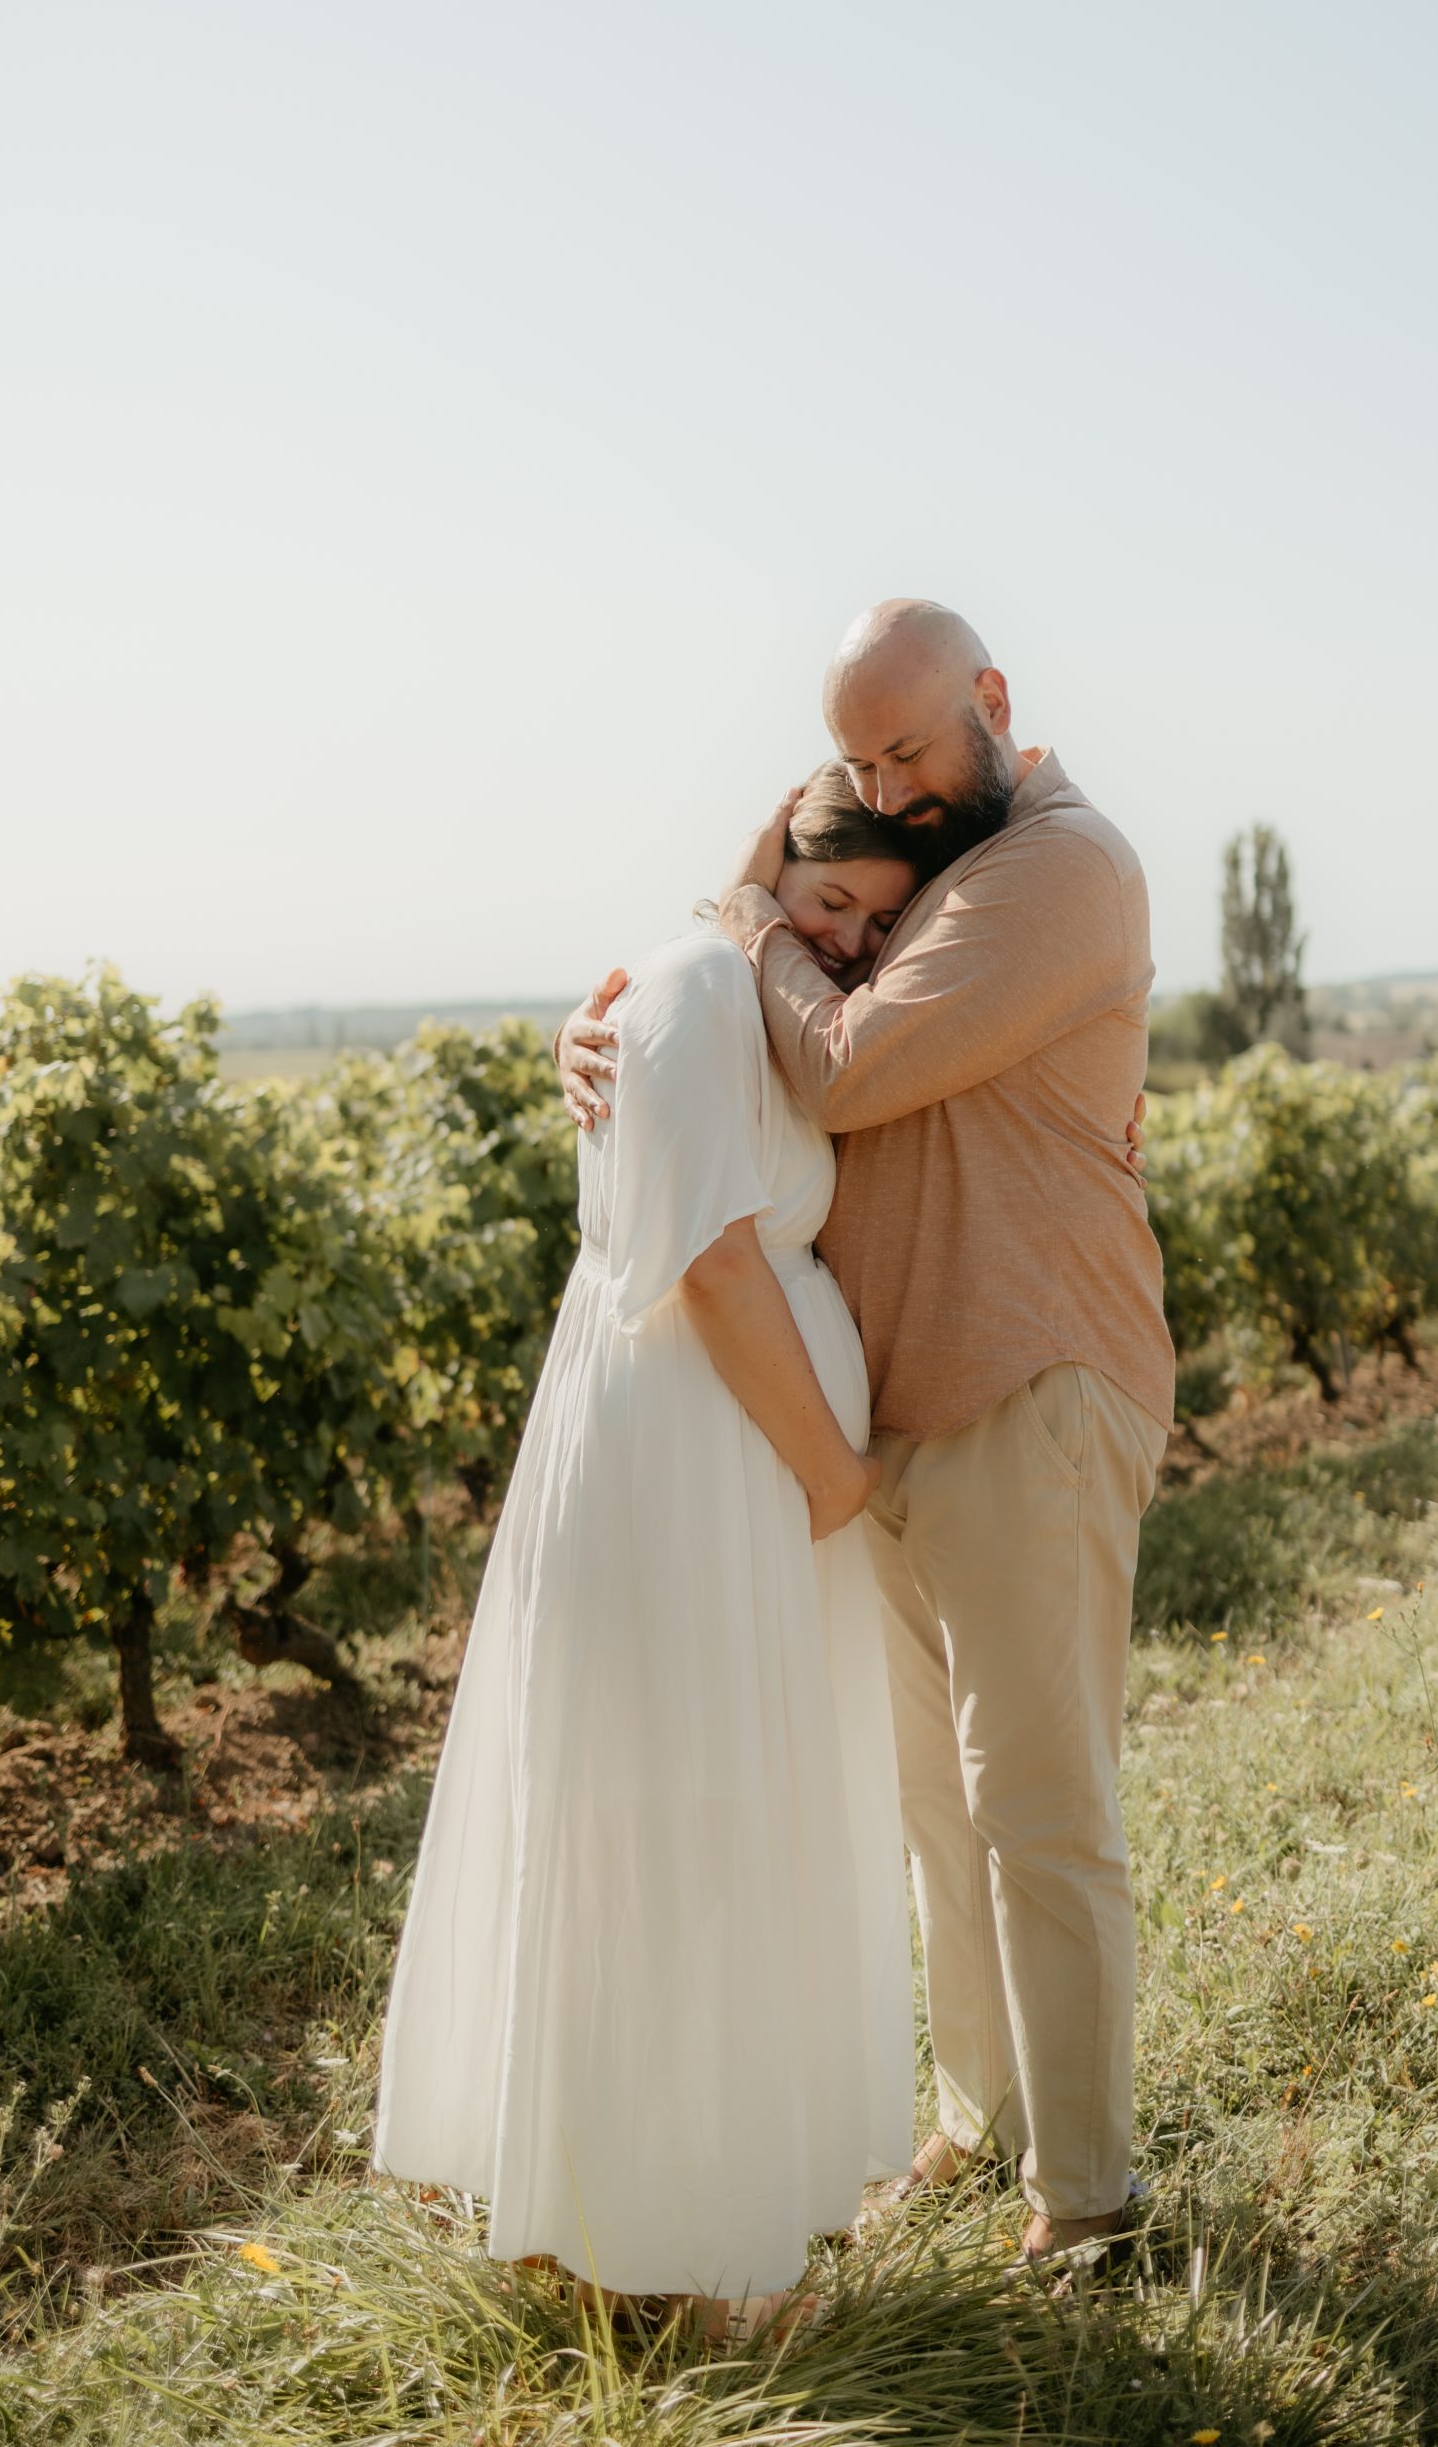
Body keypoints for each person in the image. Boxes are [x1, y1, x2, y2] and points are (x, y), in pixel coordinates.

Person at [558, 600, 1174, 2274]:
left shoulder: (1057, 868)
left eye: (909, 751)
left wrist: (744, 925)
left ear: (991, 700)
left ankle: (1091, 2201)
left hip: (1032, 1377)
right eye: (859, 762)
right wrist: (630, 1031)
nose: (887, 789)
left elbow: (840, 1071)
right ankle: (982, 2127)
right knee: (939, 1804)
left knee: (1036, 1802)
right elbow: (761, 1044)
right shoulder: (931, 860)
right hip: (901, 1401)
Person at [374, 763, 932, 2332]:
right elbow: (703, 1261)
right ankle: (673, 2262)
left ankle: (669, 2217)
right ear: (769, 873)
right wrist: (830, 1471)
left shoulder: (781, 1017)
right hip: (703, 1460)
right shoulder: (692, 986)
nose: (849, 943)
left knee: (722, 1829)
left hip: (736, 1464)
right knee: (676, 1828)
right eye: (830, 903)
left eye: (881, 925)